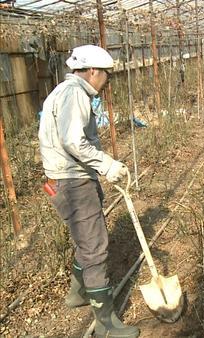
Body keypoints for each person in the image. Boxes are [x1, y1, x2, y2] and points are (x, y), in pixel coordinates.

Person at [38, 45, 138, 337]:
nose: (107, 80)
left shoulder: (62, 91)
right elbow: (73, 142)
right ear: (93, 71)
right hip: (73, 181)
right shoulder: (75, 95)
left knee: (86, 239)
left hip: (67, 179)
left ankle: (77, 294)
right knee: (95, 248)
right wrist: (107, 165)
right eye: (106, 74)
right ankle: (106, 326)